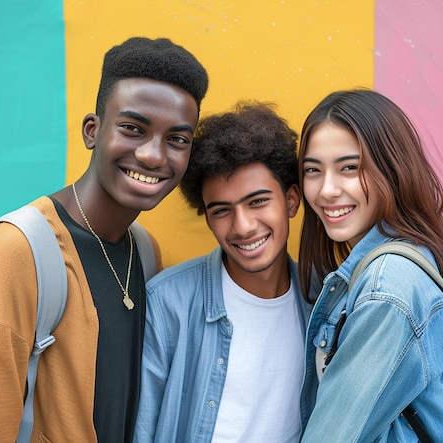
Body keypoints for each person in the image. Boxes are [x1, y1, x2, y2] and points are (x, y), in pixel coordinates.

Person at [0, 37, 208, 442]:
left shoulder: (144, 251)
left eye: (177, 139)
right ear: (93, 131)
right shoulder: (17, 251)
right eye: (132, 129)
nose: (154, 156)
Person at [134, 102, 315, 443]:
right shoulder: (167, 304)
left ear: (291, 201)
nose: (243, 226)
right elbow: (142, 428)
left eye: (258, 201)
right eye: (221, 210)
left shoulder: (323, 304)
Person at [297, 88, 443, 441]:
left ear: (393, 169)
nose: (326, 190)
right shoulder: (397, 263)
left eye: (350, 168)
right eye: (313, 170)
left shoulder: (387, 287)